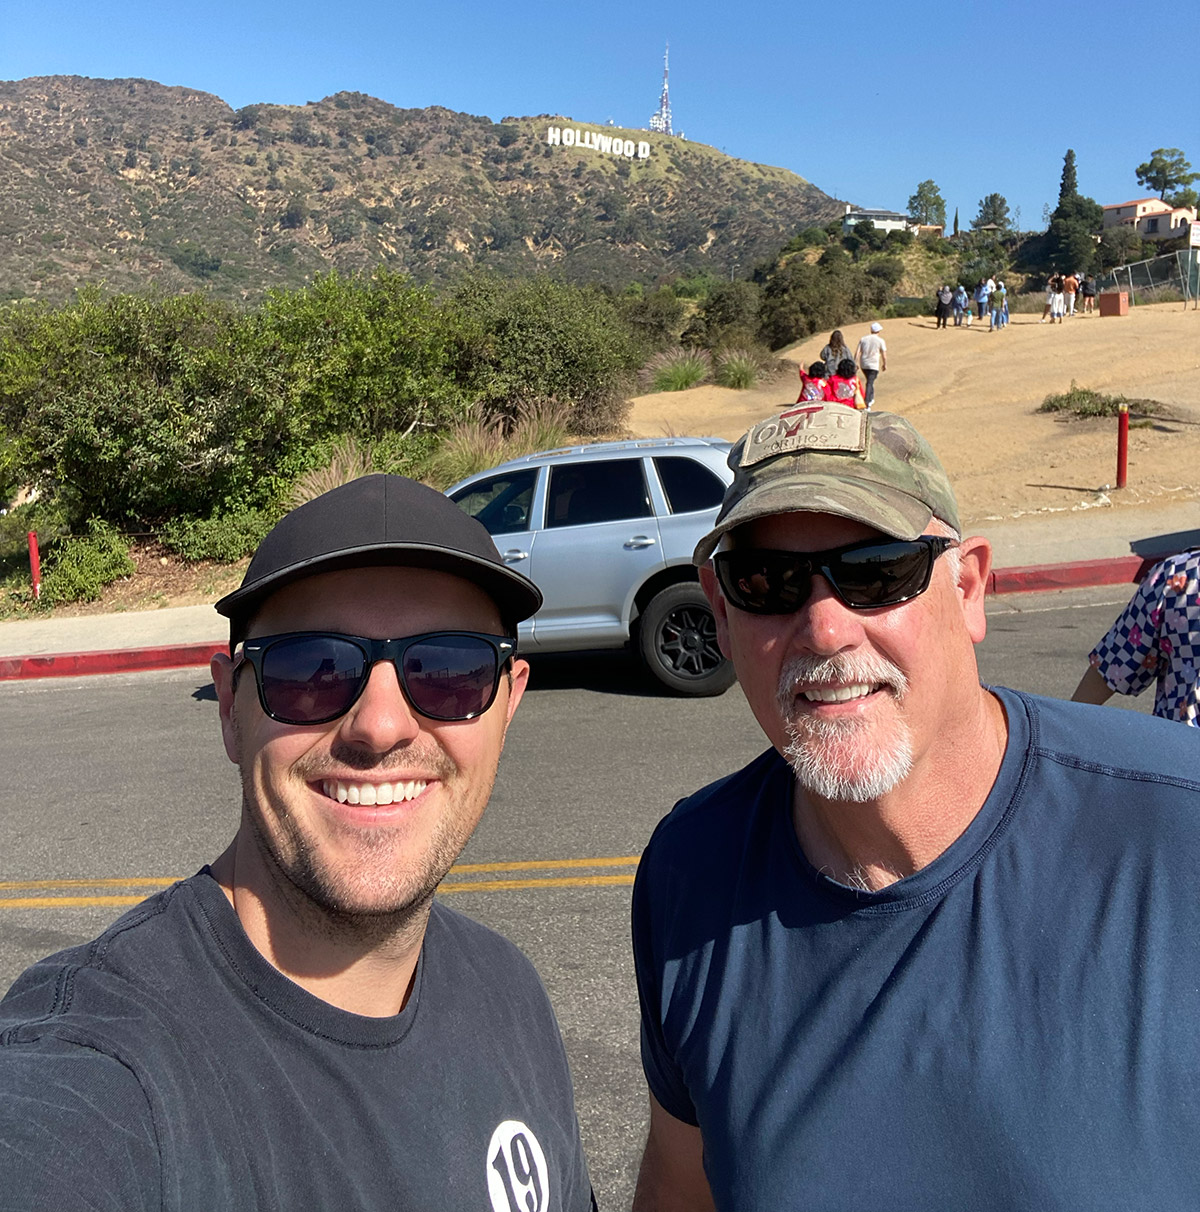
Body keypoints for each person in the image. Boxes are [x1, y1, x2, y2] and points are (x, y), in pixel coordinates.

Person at [630, 402, 1200, 1211]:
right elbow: (681, 1188)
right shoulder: (690, 872)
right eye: (768, 583)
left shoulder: (1176, 825)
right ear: (721, 616)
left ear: (967, 587)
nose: (824, 628)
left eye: (876, 571)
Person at [0, 475, 596, 1211]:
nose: (380, 727)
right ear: (229, 707)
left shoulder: (511, 994)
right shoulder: (104, 1070)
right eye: (314, 668)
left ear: (508, 704)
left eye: (450, 670)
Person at [1072, 546, 1200, 725]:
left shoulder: (1178, 576)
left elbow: (1111, 666)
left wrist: (1062, 733)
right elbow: (1110, 667)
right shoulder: (1177, 577)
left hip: (1179, 745)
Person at [854, 322, 887, 408]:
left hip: (864, 364)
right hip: (873, 365)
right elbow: (883, 353)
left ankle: (871, 398)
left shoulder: (863, 339)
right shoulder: (880, 340)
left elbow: (857, 352)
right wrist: (884, 364)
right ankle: (867, 402)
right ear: (878, 331)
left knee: (870, 381)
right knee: (870, 382)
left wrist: (855, 362)